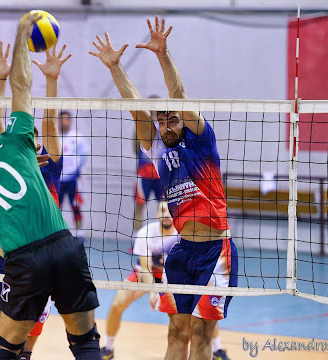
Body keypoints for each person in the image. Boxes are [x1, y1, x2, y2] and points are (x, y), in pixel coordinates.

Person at [0, 13, 100, 360]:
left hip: (24, 261)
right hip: (22, 259)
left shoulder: (39, 160)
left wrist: (49, 81)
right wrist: (3, 76)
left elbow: (43, 122)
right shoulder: (15, 143)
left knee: (16, 347)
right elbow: (0, 121)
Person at [91, 17, 237, 360]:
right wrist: (115, 68)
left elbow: (179, 94)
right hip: (184, 252)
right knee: (176, 332)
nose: (166, 124)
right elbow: (135, 105)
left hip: (217, 252)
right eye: (162, 120)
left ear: (182, 120)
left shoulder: (202, 142)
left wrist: (163, 54)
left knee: (202, 334)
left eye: (173, 119)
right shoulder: (157, 147)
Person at [100, 201, 179, 360]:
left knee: (194, 311)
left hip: (173, 277)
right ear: (157, 214)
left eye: (170, 211)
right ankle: (108, 348)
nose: (166, 214)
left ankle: (215, 349)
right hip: (145, 274)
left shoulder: (182, 235)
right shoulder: (146, 232)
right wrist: (153, 291)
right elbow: (145, 268)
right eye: (163, 210)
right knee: (117, 304)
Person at [132, 96, 163, 233]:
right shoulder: (140, 125)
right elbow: (135, 147)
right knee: (139, 207)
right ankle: (137, 240)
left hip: (161, 174)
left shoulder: (164, 126)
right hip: (143, 173)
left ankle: (163, 240)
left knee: (164, 207)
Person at [58, 110, 90, 241]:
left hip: (73, 179)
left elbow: (84, 155)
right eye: (61, 119)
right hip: (57, 180)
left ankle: (80, 234)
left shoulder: (77, 137)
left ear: (70, 121)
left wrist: (75, 169)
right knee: (55, 209)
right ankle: (56, 234)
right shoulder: (54, 137)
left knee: (76, 206)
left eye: (66, 119)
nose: (63, 122)